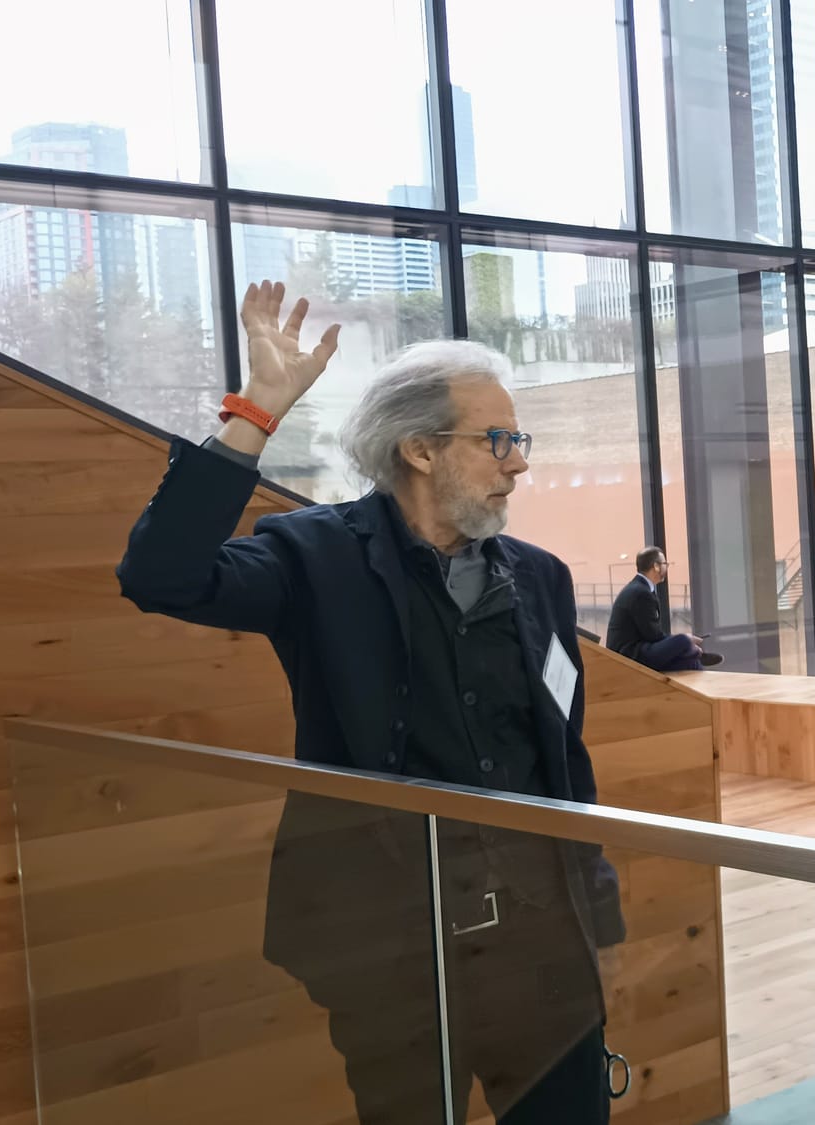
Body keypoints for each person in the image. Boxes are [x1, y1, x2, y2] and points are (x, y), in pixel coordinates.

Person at [116, 282, 622, 1125]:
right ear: (419, 449)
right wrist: (257, 410)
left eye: (519, 439)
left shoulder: (540, 576)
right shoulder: (313, 555)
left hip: (542, 948)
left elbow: (563, 757)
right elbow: (159, 575)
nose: (519, 463)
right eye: (497, 440)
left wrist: (596, 916)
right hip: (391, 952)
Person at [606, 547, 721, 670]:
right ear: (656, 566)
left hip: (636, 650)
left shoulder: (639, 588)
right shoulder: (640, 593)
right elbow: (653, 635)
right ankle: (693, 652)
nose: (666, 567)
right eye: (665, 564)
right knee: (682, 640)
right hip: (630, 655)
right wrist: (686, 642)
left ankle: (694, 655)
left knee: (691, 662)